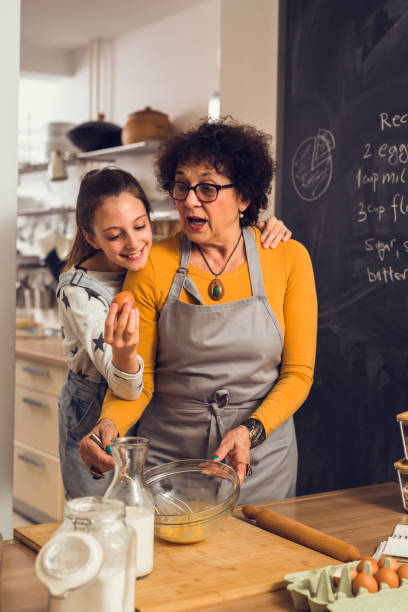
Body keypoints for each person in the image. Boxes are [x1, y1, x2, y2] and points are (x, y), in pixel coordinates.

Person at [80, 118, 317, 505]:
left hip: (259, 463)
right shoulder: (154, 262)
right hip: (170, 468)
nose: (190, 200)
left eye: (207, 188)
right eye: (181, 185)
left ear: (244, 197)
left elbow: (298, 375)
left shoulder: (288, 258)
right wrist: (106, 427)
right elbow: (139, 381)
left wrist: (250, 432)